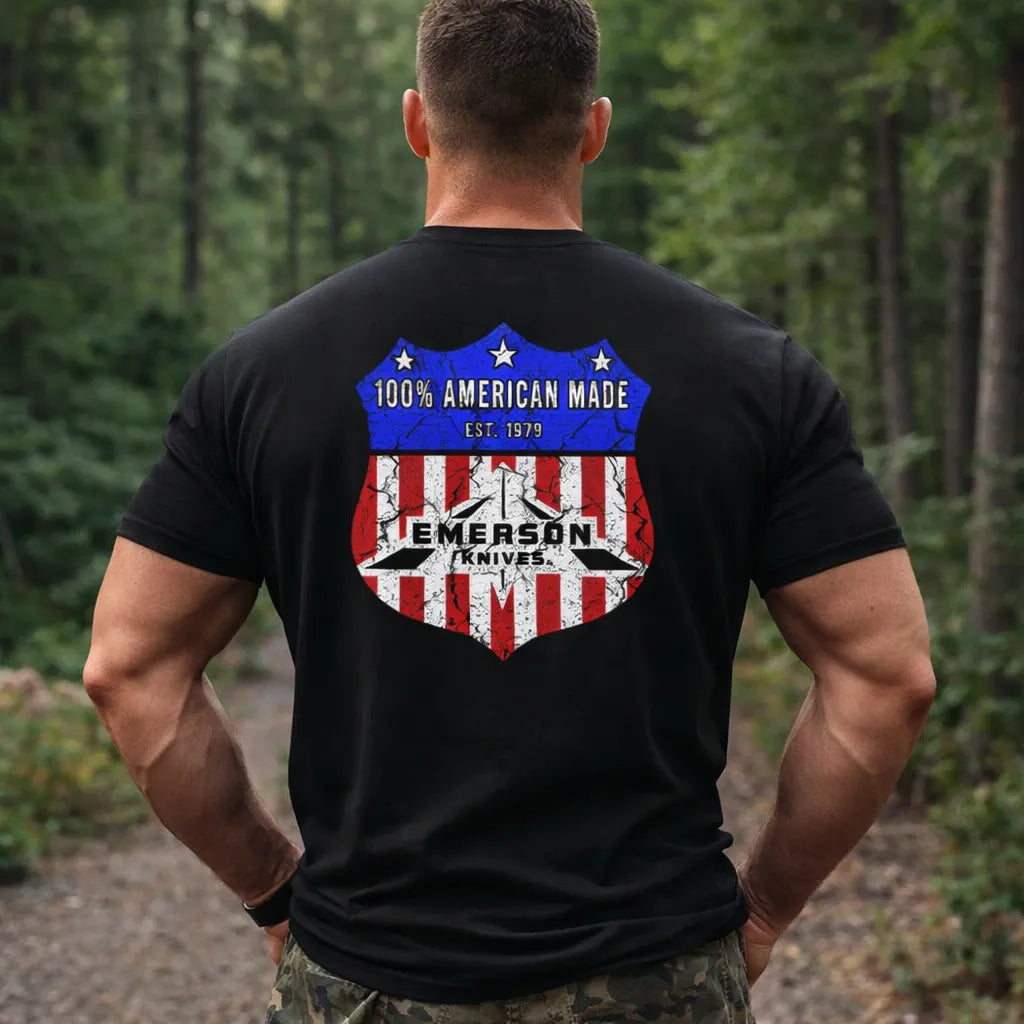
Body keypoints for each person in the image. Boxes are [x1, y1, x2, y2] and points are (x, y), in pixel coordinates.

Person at [83, 0, 936, 1021]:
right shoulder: (752, 373)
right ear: (593, 129)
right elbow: (885, 676)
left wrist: (274, 890)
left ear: (417, 122)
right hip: (653, 971)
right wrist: (762, 909)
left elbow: (130, 669)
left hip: (370, 975)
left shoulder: (263, 374)